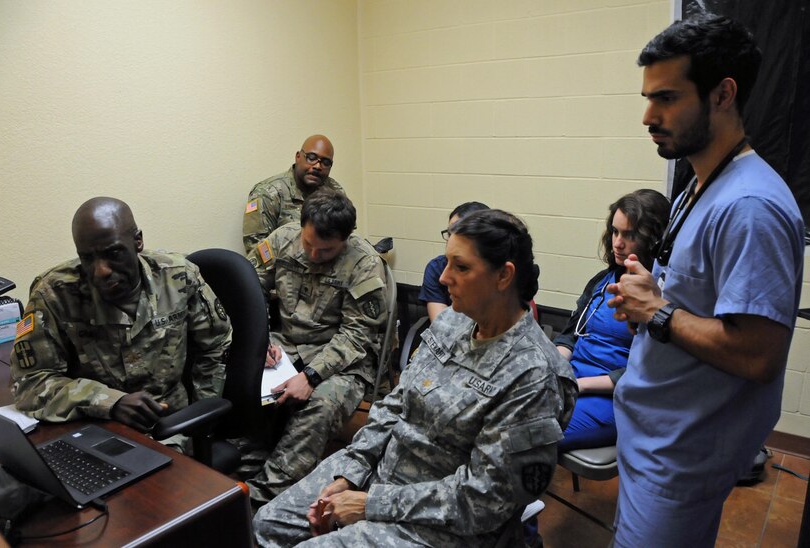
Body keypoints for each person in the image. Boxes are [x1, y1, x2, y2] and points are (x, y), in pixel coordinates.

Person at [253, 209, 577, 547]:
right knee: (268, 524)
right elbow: (394, 405)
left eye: (461, 267)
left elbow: (483, 500)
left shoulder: (534, 376)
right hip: (381, 473)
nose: (443, 278)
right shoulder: (454, 323)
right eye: (446, 262)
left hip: (441, 522)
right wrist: (351, 471)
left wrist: (371, 505)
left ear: (503, 276)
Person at [606, 15, 804, 546]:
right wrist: (648, 293)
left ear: (722, 94)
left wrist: (658, 313)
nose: (648, 116)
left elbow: (759, 355)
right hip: (651, 438)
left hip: (682, 457)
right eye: (648, 97)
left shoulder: (751, 207)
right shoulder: (699, 183)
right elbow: (696, 299)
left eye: (666, 98)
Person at [9, 197, 233, 439]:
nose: (101, 271)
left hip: (168, 425)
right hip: (93, 426)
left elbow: (217, 346)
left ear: (138, 241)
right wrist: (109, 402)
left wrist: (200, 420)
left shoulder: (179, 278)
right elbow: (30, 383)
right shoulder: (54, 294)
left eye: (113, 253)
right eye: (87, 258)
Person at [245, 189, 388, 508]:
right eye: (308, 244)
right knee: (244, 376)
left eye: (325, 251)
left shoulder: (363, 262)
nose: (312, 255)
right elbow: (250, 290)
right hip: (285, 343)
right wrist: (261, 338)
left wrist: (310, 377)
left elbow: (357, 335)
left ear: (346, 239)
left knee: (321, 406)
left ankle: (262, 495)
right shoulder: (282, 239)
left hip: (344, 358)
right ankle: (243, 465)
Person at [554, 189, 669, 451]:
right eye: (615, 232)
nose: (617, 242)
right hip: (573, 380)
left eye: (629, 235)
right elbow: (571, 335)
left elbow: (648, 372)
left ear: (653, 239)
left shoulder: (661, 297)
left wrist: (577, 386)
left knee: (529, 434)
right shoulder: (601, 281)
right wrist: (554, 369)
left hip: (613, 398)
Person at [243, 134, 344, 257]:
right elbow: (257, 251)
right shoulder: (268, 193)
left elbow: (345, 237)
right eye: (311, 158)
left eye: (325, 162)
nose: (318, 166)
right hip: (284, 272)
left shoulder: (334, 191)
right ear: (298, 157)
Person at [419, 201, 489, 322]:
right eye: (450, 233)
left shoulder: (494, 271)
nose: (444, 278)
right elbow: (440, 326)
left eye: (459, 234)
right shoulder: (437, 268)